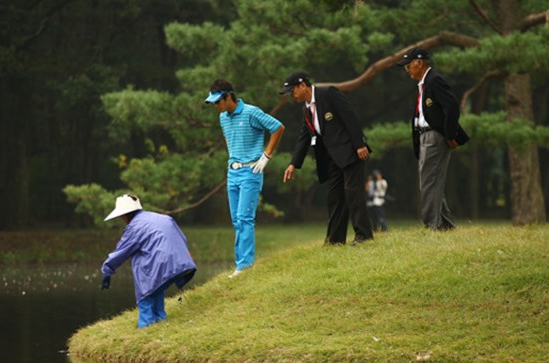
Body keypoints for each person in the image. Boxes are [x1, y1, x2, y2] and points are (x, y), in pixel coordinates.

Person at [279, 71, 373, 246]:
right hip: (332, 159)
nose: (292, 96)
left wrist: (359, 144)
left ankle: (363, 235)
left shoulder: (328, 93)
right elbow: (304, 137)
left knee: (353, 193)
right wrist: (293, 164)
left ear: (302, 85)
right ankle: (335, 240)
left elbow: (349, 117)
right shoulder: (305, 109)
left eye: (292, 91)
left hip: (350, 151)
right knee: (335, 197)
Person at [205, 79, 285, 278]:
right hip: (233, 173)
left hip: (251, 172)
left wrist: (266, 155)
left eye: (218, 101)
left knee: (244, 219)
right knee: (236, 221)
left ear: (228, 96)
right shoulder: (223, 117)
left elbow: (278, 127)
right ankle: (240, 265)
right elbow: (230, 141)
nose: (216, 106)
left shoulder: (251, 112)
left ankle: (244, 266)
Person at [397, 47, 469, 230]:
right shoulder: (424, 83)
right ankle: (445, 225)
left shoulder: (434, 80)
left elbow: (452, 107)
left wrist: (450, 134)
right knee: (432, 181)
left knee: (428, 181)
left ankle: (432, 226)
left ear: (419, 63)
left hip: (434, 136)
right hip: (424, 136)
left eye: (408, 66)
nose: (407, 70)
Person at [101, 194, 196, 329]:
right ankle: (160, 322)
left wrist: (107, 270)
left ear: (125, 214)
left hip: (159, 264)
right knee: (156, 287)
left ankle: (145, 326)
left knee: (146, 293)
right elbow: (181, 238)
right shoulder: (163, 218)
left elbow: (122, 251)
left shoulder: (134, 227)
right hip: (181, 262)